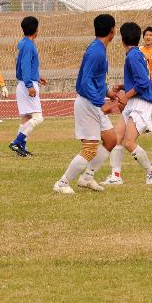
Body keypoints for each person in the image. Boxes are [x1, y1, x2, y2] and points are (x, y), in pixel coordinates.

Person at [53, 14, 120, 194]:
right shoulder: (96, 51)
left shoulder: (99, 48)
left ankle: (87, 178)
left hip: (94, 102)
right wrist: (101, 102)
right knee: (89, 148)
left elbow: (94, 79)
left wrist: (107, 92)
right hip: (88, 104)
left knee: (111, 140)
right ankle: (62, 183)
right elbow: (84, 82)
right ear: (112, 31)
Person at [100, 22, 152, 186]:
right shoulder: (136, 53)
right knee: (116, 138)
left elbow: (143, 84)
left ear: (122, 39)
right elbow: (140, 81)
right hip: (135, 101)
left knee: (128, 141)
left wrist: (126, 95)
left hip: (141, 103)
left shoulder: (133, 56)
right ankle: (115, 175)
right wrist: (122, 86)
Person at [8, 16, 47, 156]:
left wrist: (37, 76)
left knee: (27, 118)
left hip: (24, 83)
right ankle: (16, 142)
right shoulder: (29, 45)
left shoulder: (23, 43)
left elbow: (25, 65)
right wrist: (30, 84)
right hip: (27, 85)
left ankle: (21, 149)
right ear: (36, 29)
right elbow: (24, 66)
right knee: (38, 117)